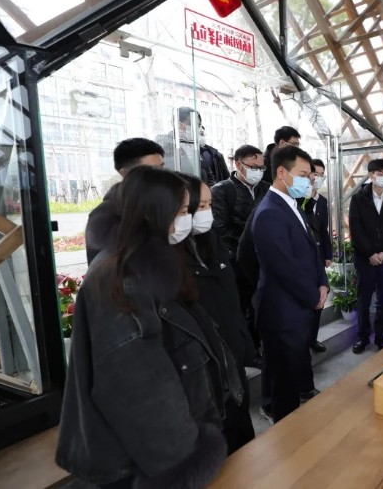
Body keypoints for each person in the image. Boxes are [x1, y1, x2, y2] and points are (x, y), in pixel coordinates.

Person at [57, 167, 243, 489]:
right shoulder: (123, 281)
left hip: (175, 438)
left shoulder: (152, 265)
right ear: (154, 211)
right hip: (139, 464)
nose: (188, 220)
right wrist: (184, 458)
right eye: (182, 211)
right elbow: (139, 386)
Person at [175, 173, 256, 452]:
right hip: (204, 363)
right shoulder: (167, 258)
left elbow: (230, 297)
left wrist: (243, 341)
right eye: (199, 207)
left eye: (209, 205)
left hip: (230, 351)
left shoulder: (210, 240)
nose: (206, 213)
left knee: (241, 433)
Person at [251, 145, 329, 423]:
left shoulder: (292, 205)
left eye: (310, 176)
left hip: (298, 305)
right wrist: (312, 295)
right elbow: (283, 267)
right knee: (284, 386)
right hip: (283, 311)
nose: (309, 181)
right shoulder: (269, 212)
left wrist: (322, 282)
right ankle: (287, 433)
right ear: (282, 173)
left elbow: (312, 250)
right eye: (303, 175)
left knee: (291, 375)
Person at [348, 159, 383, 354]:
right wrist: (370, 253)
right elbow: (356, 228)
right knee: (364, 299)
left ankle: (380, 337)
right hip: (365, 257)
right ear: (371, 175)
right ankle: (362, 338)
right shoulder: (359, 199)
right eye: (380, 174)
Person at [85, 137, 164, 265]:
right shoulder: (104, 216)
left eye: (161, 168)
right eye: (151, 170)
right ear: (125, 173)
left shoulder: (165, 202)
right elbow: (104, 269)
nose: (162, 176)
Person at [298, 159, 334, 353]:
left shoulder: (322, 201)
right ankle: (302, 340)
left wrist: (328, 254)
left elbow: (323, 230)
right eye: (315, 174)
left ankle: (312, 338)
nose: (317, 178)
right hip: (302, 256)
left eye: (322, 175)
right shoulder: (298, 197)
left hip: (318, 255)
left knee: (321, 296)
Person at [211, 145, 270, 255]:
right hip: (236, 254)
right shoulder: (221, 191)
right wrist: (250, 241)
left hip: (264, 252)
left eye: (261, 168)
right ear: (238, 165)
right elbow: (220, 228)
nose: (258, 172)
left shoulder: (267, 189)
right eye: (254, 167)